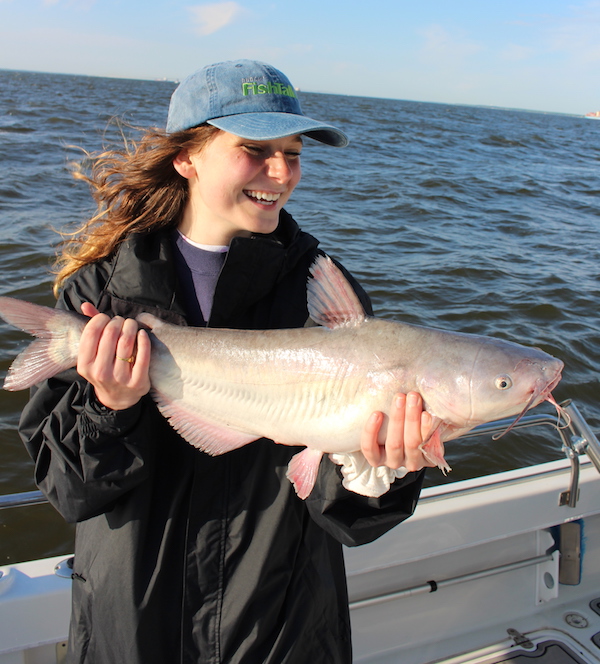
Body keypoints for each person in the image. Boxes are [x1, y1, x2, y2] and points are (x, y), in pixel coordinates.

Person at [19, 59, 433, 664]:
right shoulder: (99, 295)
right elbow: (69, 491)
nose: (281, 172)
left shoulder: (322, 292)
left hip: (282, 631)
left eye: (292, 152)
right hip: (133, 628)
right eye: (255, 149)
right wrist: (108, 410)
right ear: (188, 158)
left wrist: (380, 471)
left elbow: (348, 520)